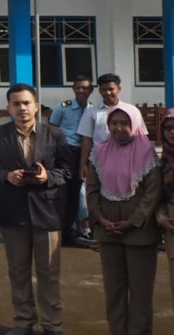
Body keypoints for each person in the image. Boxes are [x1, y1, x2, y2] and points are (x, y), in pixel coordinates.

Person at [0, 83, 71, 335]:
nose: (22, 108)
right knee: (18, 271)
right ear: (8, 108)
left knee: (49, 272)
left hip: (47, 211)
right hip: (14, 212)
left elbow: (68, 170)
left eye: (26, 103)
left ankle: (52, 324)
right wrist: (6, 176)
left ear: (37, 106)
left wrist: (48, 177)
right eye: (16, 103)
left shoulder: (54, 135)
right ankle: (23, 321)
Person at [85, 104, 161, 335]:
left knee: (140, 291)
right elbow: (91, 189)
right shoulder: (99, 152)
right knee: (114, 290)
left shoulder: (148, 153)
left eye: (124, 123)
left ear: (135, 124)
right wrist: (100, 218)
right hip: (108, 230)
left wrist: (133, 221)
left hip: (140, 231)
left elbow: (152, 193)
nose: (118, 128)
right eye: (113, 123)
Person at [48, 76, 94, 247]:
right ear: (73, 89)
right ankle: (61, 232)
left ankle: (70, 233)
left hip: (83, 155)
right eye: (78, 87)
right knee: (62, 193)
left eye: (85, 88)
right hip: (64, 153)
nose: (81, 91)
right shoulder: (63, 107)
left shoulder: (92, 110)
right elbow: (51, 130)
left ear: (91, 90)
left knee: (76, 194)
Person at [78, 73, 146, 183]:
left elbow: (141, 137)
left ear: (119, 89)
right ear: (100, 91)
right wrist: (83, 165)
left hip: (128, 161)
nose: (107, 93)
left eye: (111, 89)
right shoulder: (91, 112)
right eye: (104, 90)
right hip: (100, 161)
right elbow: (87, 141)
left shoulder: (132, 111)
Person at [157, 108, 174, 311]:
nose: (172, 132)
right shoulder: (162, 163)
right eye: (168, 128)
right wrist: (161, 217)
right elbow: (157, 198)